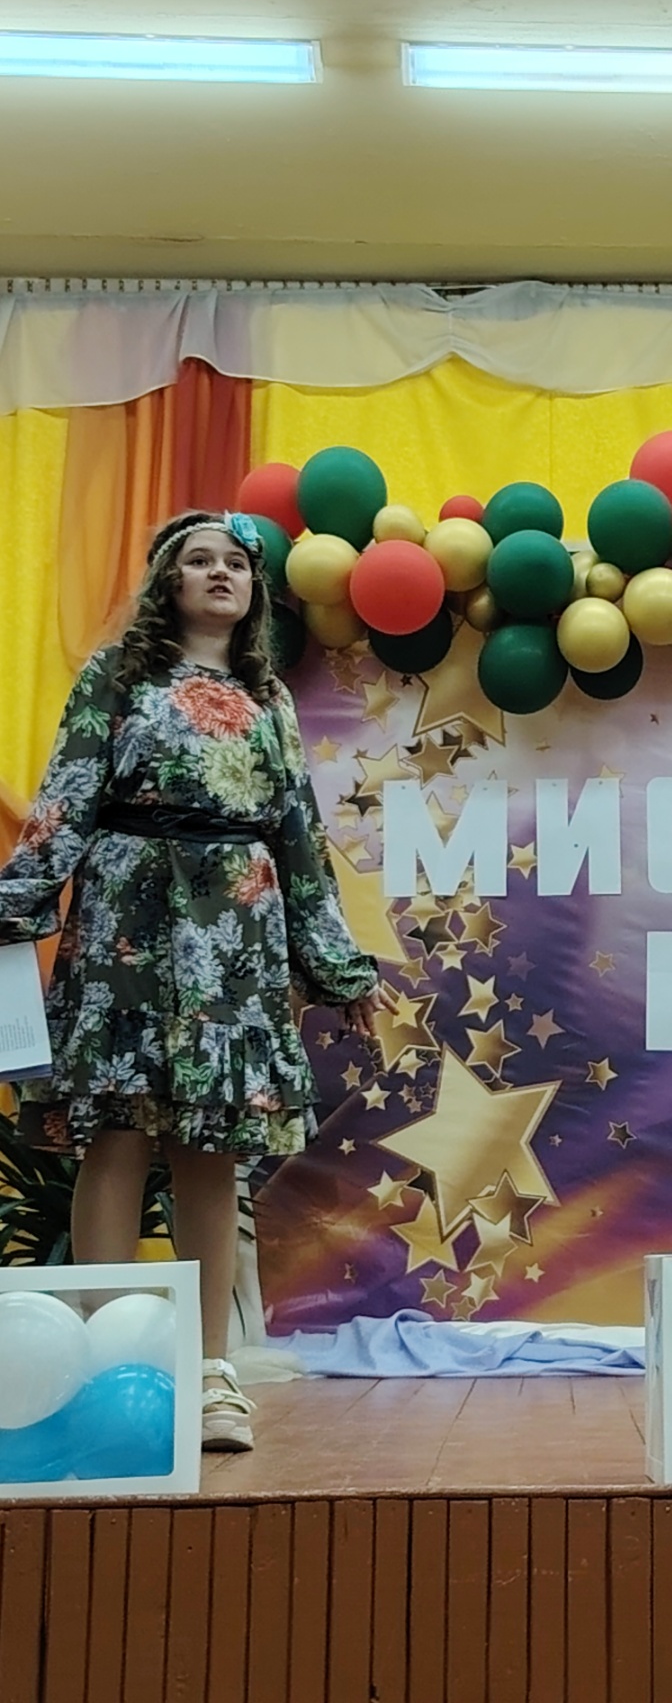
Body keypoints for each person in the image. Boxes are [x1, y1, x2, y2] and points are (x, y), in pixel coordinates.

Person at [0, 510, 379, 1452]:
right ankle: (97, 1358)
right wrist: (15, 905)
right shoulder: (117, 676)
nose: (219, 573)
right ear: (167, 582)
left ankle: (212, 1373)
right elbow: (65, 800)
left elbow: (299, 839)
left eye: (235, 563)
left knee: (213, 1146)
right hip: (127, 919)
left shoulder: (269, 701)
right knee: (117, 1134)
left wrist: (336, 965)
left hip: (235, 933)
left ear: (254, 590)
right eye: (198, 560)